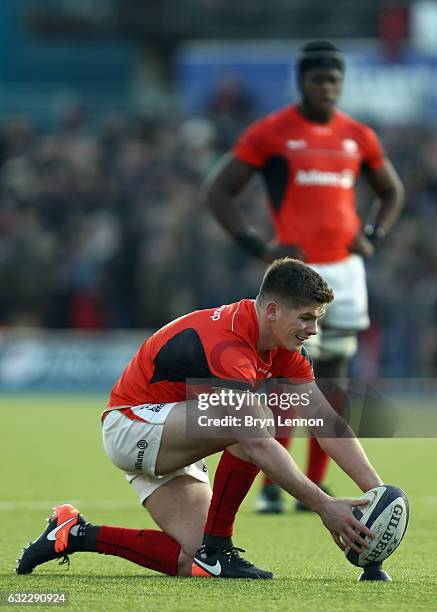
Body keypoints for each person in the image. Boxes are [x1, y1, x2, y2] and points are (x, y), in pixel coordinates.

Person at [17, 258, 383, 580]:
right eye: (306, 318)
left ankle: (74, 533)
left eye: (317, 319)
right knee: (256, 419)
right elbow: (254, 442)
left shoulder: (282, 346)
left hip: (175, 433)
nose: (313, 331)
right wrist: (323, 506)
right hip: (131, 425)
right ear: (272, 310)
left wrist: (378, 494)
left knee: (192, 563)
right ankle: (219, 546)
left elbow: (326, 422)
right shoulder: (228, 344)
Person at [205, 41, 404, 513]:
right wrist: (258, 246)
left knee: (333, 385)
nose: (327, 89)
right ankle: (275, 487)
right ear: (302, 83)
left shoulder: (358, 135)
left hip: (347, 275)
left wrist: (373, 232)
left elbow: (391, 191)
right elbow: (219, 191)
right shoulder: (272, 132)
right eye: (319, 81)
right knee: (287, 382)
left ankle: (314, 484)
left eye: (334, 81)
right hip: (296, 277)